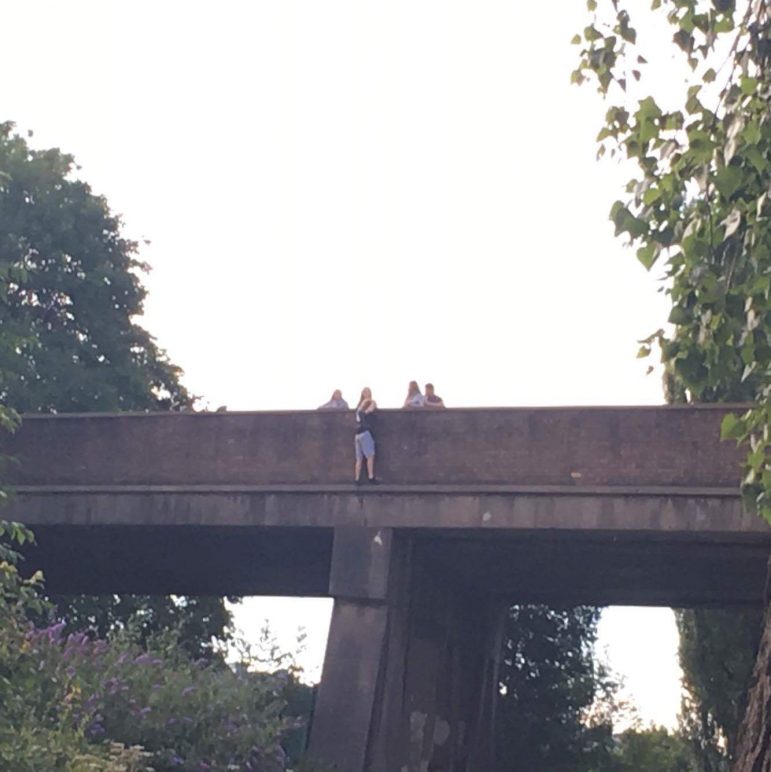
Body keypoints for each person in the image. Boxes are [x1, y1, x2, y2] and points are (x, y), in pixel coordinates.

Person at [354, 387, 378, 484]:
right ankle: (371, 477)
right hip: (365, 432)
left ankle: (356, 479)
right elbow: (371, 409)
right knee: (370, 456)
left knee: (359, 458)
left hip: (357, 434)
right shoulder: (370, 402)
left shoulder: (358, 407)